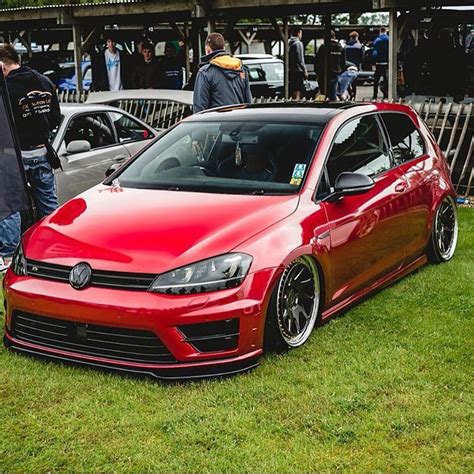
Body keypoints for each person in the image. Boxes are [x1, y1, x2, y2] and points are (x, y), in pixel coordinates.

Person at [0, 44, 60, 271]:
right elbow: (55, 118)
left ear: (2, 65)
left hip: (15, 156)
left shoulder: (6, 87)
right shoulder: (43, 81)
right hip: (42, 152)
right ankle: (52, 248)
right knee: (49, 204)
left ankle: (8, 255)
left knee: (10, 205)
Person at [193, 33, 252, 113]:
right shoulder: (241, 69)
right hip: (239, 121)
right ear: (224, 48)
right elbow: (248, 102)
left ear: (207, 50)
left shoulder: (205, 72)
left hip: (216, 122)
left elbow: (199, 107)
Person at [315, 31, 345, 101]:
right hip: (335, 74)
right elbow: (343, 62)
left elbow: (317, 61)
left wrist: (317, 72)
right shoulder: (340, 47)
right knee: (332, 94)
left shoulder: (323, 47)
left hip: (324, 74)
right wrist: (340, 71)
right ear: (334, 37)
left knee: (323, 94)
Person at [288, 26, 308, 100]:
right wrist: (305, 70)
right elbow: (300, 59)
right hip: (298, 71)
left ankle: (293, 101)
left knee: (293, 90)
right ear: (298, 33)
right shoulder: (298, 43)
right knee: (298, 90)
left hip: (291, 70)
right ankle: (297, 102)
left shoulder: (289, 42)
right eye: (301, 33)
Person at [344, 31, 363, 99]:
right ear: (356, 37)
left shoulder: (346, 46)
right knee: (354, 81)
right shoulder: (359, 46)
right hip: (355, 66)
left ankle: (349, 92)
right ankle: (354, 95)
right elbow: (361, 58)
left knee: (347, 80)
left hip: (347, 65)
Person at [372, 27, 389, 100]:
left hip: (379, 63)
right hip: (387, 63)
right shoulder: (389, 39)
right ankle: (385, 95)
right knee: (386, 79)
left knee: (376, 80)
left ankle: (375, 95)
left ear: (380, 31)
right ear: (386, 31)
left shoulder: (377, 40)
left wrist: (373, 62)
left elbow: (375, 53)